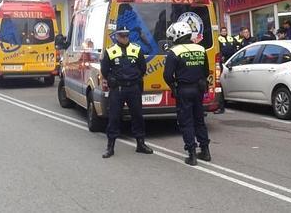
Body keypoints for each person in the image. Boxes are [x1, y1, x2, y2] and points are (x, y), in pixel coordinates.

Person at [100, 28, 153, 158]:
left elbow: (142, 68)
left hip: (133, 88)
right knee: (114, 118)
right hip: (118, 89)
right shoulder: (111, 51)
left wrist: (135, 78)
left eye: (126, 36)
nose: (124, 38)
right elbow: (105, 69)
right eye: (121, 36)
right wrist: (112, 79)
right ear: (117, 37)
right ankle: (110, 147)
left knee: (138, 116)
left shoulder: (136, 49)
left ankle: (140, 144)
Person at [163, 21, 211, 166]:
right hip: (198, 89)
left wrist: (173, 86)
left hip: (184, 90)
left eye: (172, 37)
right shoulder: (201, 49)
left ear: (177, 35)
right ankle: (205, 151)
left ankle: (191, 154)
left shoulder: (174, 52)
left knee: (186, 122)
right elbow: (205, 71)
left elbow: (167, 75)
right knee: (199, 120)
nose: (172, 40)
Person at [215, 26, 236, 114]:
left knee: (219, 86)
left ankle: (221, 106)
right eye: (222, 31)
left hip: (228, 62)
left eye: (225, 31)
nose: (224, 32)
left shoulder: (231, 38)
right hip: (222, 64)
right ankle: (220, 106)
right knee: (218, 86)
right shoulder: (218, 39)